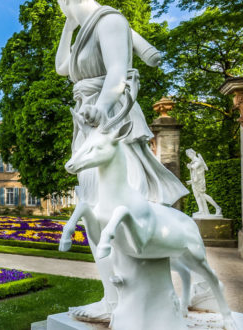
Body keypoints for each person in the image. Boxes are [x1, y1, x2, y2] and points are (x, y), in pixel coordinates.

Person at [53, 0, 189, 322]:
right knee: (93, 213)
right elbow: (62, 67)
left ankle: (141, 300)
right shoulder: (84, 28)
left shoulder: (111, 22)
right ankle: (110, 299)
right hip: (87, 122)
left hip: (111, 121)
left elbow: (117, 75)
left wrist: (100, 109)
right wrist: (69, 27)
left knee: (123, 202)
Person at [186, 149, 222, 217]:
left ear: (193, 153)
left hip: (200, 182)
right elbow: (195, 173)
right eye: (188, 155)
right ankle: (201, 210)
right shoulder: (193, 162)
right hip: (195, 182)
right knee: (197, 196)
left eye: (189, 154)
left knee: (203, 195)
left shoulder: (198, 161)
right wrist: (191, 181)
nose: (189, 156)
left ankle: (218, 208)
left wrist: (189, 166)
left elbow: (194, 167)